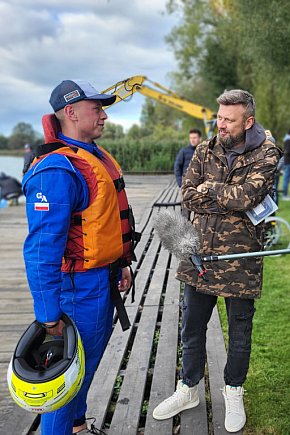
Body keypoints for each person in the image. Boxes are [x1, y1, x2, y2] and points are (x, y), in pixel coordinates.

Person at [153, 89, 281, 432]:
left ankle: (233, 391)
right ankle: (189, 388)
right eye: (219, 118)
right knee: (191, 327)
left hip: (241, 258)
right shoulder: (204, 148)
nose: (220, 125)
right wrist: (219, 194)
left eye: (229, 120)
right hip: (199, 254)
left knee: (240, 331)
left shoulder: (268, 152)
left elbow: (246, 197)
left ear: (248, 121)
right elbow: (187, 194)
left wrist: (210, 189)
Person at [22, 80, 139, 435]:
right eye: (96, 109)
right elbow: (41, 251)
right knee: (63, 379)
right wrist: (48, 315)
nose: (104, 116)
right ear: (71, 113)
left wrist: (120, 264)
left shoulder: (94, 156)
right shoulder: (56, 169)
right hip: (74, 290)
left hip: (102, 281)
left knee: (86, 368)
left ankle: (76, 426)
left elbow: (101, 222)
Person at [282, 129, 290, 200]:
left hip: (287, 162)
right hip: (288, 162)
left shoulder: (286, 139)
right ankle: (284, 195)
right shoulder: (288, 140)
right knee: (286, 179)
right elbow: (287, 151)